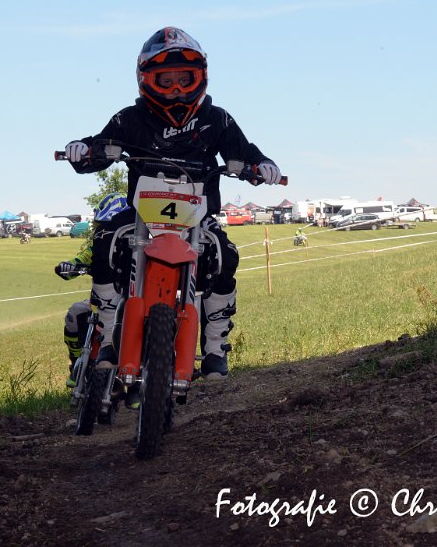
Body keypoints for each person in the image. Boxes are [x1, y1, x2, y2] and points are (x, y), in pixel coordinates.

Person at [62, 26, 283, 380]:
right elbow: (99, 146)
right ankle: (106, 334)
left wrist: (263, 166)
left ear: (200, 77)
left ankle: (215, 347)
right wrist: (82, 150)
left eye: (184, 79)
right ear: (146, 79)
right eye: (166, 81)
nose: (177, 88)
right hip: (142, 216)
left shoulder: (216, 119)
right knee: (106, 239)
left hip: (197, 217)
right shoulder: (129, 118)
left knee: (225, 254)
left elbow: (246, 152)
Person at [54, 193, 129, 388]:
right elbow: (80, 260)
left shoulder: (144, 242)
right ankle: (77, 364)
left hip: (133, 305)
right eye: (100, 225)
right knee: (75, 313)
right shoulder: (97, 245)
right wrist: (68, 266)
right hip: (101, 304)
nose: (104, 230)